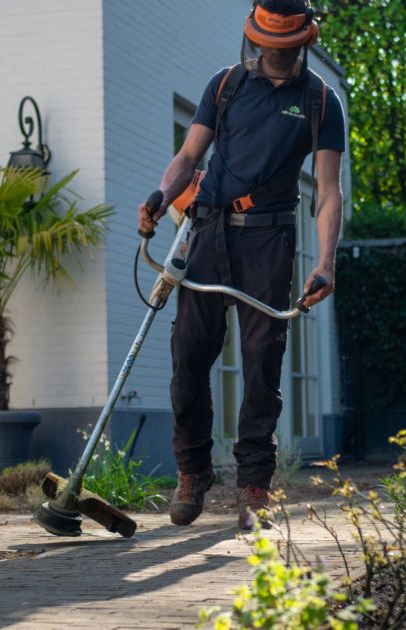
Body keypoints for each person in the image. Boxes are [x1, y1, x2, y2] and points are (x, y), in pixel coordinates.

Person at [137, 0, 346, 530]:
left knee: (261, 368)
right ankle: (193, 472)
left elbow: (327, 193)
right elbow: (188, 158)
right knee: (187, 360)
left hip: (268, 244)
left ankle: (254, 487)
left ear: (303, 42)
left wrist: (325, 262)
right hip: (206, 235)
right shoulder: (225, 85)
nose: (272, 55)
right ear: (254, 39)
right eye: (265, 45)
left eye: (283, 47)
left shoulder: (322, 101)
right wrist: (163, 195)